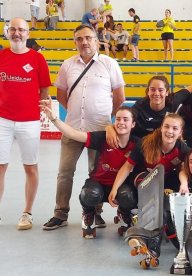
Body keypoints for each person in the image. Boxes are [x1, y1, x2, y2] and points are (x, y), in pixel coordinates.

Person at [43, 24, 125, 231]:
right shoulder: (67, 65)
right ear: (75, 42)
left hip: (99, 130)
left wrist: (109, 120)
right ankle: (60, 213)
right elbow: (61, 95)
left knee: (96, 172)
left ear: (97, 40)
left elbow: (120, 97)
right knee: (64, 172)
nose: (84, 42)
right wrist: (75, 113)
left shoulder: (109, 64)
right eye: (79, 39)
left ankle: (95, 212)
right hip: (72, 129)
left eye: (88, 38)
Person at [40, 101, 139, 238]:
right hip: (98, 184)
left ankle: (124, 214)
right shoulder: (102, 138)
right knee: (89, 194)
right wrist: (53, 118)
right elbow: (74, 134)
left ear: (133, 124)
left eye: (126, 119)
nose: (121, 122)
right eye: (118, 119)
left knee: (129, 195)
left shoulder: (137, 144)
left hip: (120, 187)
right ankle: (89, 214)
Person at [0, 18, 51, 230]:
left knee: (30, 167)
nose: (17, 33)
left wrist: (44, 109)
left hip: (29, 121)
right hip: (2, 120)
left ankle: (27, 213)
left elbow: (45, 91)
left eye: (21, 30)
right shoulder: (1, 56)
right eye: (13, 29)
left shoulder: (38, 59)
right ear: (7, 32)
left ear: (28, 34)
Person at [105, 75, 192, 142]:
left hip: (164, 142)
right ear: (148, 92)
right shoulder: (139, 107)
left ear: (167, 92)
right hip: (143, 143)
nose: (156, 93)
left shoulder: (174, 101)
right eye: (152, 89)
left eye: (160, 90)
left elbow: (191, 88)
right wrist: (109, 128)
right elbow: (124, 121)